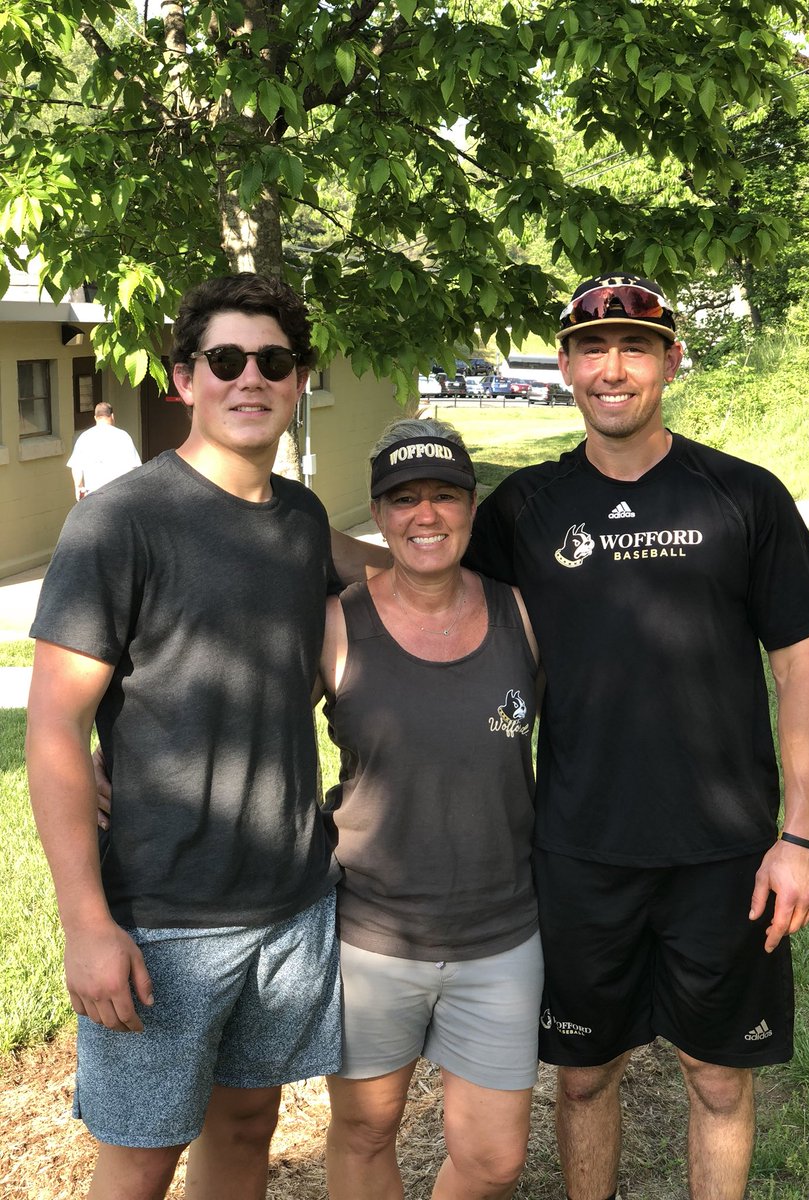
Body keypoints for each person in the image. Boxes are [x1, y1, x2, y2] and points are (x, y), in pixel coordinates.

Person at [463, 272, 809, 1200]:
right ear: (564, 366)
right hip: (580, 848)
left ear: (671, 359)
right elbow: (430, 616)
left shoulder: (744, 497)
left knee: (716, 1078)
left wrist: (800, 838)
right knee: (585, 1075)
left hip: (726, 852)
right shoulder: (524, 510)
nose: (613, 368)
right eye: (592, 349)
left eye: (635, 347)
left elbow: (802, 667)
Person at [26, 274, 342, 1200]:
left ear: (298, 381)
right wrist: (87, 923)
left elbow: (377, 574)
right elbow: (53, 727)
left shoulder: (302, 519)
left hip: (290, 902)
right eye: (226, 360)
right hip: (160, 916)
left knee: (249, 1127)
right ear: (183, 379)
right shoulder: (120, 522)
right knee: (138, 1160)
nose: (251, 378)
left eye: (273, 360)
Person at [321, 417, 543, 1200]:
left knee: (492, 1162)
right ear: (378, 515)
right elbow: (249, 727)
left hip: (501, 934)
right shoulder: (338, 622)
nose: (426, 515)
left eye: (445, 495)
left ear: (471, 507)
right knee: (363, 1133)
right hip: (373, 938)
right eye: (404, 498)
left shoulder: (522, 613)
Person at [67, 401, 142, 500]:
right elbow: (134, 467)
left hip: (94, 495)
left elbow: (76, 467)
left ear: (95, 418)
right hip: (118, 494)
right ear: (112, 416)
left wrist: (79, 487)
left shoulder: (84, 437)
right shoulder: (122, 436)